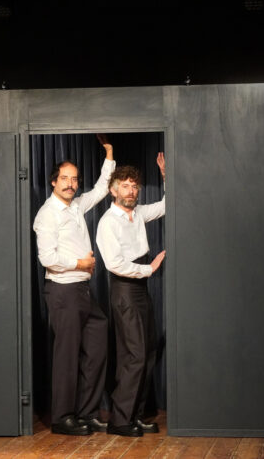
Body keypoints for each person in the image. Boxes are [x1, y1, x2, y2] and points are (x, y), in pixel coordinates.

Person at [32, 135, 115, 436]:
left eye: (75, 179)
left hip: (82, 291)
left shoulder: (77, 206)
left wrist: (109, 153)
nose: (70, 184)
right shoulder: (47, 215)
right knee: (66, 355)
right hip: (63, 290)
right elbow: (47, 258)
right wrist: (79, 263)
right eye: (65, 179)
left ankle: (87, 412)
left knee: (97, 344)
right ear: (54, 182)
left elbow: (102, 188)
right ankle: (62, 418)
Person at [95, 153, 166, 437]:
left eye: (134, 186)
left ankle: (134, 416)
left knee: (147, 353)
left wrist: (165, 176)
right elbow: (115, 264)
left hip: (140, 289)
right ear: (114, 191)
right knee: (134, 355)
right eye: (125, 186)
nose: (131, 191)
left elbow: (166, 205)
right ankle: (120, 421)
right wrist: (149, 269)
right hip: (124, 289)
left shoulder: (138, 214)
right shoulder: (108, 222)